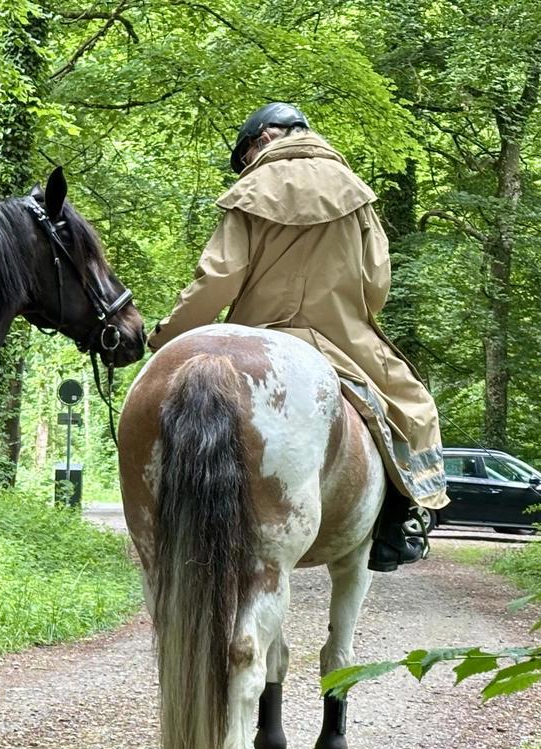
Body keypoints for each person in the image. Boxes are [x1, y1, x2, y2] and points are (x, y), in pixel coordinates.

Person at [148, 102, 448, 572]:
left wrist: (169, 335)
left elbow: (218, 280)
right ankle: (405, 520)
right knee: (413, 408)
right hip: (343, 339)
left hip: (255, 334)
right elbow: (377, 286)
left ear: (261, 140)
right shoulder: (357, 194)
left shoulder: (248, 192)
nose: (247, 165)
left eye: (245, 155)